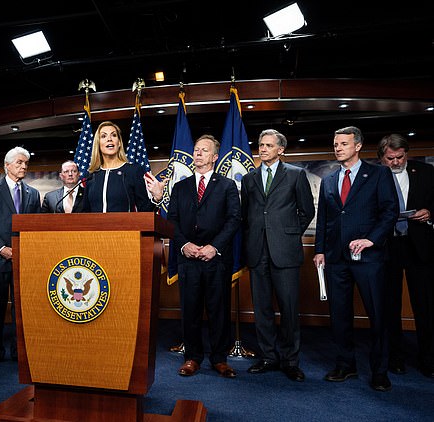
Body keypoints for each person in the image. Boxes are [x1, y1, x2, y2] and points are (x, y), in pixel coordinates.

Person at [313, 126, 398, 392]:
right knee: (339, 315)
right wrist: (320, 251)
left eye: (343, 143)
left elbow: (389, 211)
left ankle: (380, 371)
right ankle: (345, 365)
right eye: (335, 143)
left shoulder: (378, 173)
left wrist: (372, 239)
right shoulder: (328, 180)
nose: (337, 147)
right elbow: (325, 220)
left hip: (370, 257)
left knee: (377, 315)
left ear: (358, 146)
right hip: (337, 259)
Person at [241, 129, 315, 382]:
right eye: (260, 144)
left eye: (268, 145)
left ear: (281, 149)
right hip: (256, 251)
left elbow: (307, 210)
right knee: (262, 310)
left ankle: (290, 361)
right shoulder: (248, 179)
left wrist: (290, 234)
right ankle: (269, 357)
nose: (262, 149)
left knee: (289, 309)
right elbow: (245, 214)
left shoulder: (295, 175)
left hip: (285, 251)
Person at [167, 134, 241, 378]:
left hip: (216, 258)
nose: (198, 153)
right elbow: (172, 221)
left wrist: (214, 247)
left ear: (214, 157)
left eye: (204, 150)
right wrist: (185, 244)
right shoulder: (180, 187)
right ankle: (192, 358)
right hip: (188, 259)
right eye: (196, 149)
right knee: (190, 312)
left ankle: (219, 359)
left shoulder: (227, 185)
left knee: (218, 310)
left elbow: (233, 220)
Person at [0, 146, 40, 368]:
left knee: (21, 308)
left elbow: (35, 227)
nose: (23, 166)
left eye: (26, 163)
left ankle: (19, 350)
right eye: (19, 163)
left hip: (24, 259)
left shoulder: (33, 193)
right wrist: (2, 249)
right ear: (7, 165)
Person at [377, 133, 434, 378]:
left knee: (426, 306)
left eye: (400, 157)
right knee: (390, 306)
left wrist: (430, 212)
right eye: (390, 158)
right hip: (388, 247)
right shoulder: (373, 177)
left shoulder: (427, 172)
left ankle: (428, 360)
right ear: (382, 158)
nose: (396, 162)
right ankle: (395, 358)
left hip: (418, 246)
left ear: (406, 154)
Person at [82, 121, 164, 212]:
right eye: (103, 136)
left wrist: (157, 198)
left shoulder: (133, 171)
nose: (109, 139)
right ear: (98, 144)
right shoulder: (91, 175)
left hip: (125, 226)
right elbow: (85, 212)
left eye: (114, 135)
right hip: (95, 226)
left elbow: (144, 210)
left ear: (119, 143)